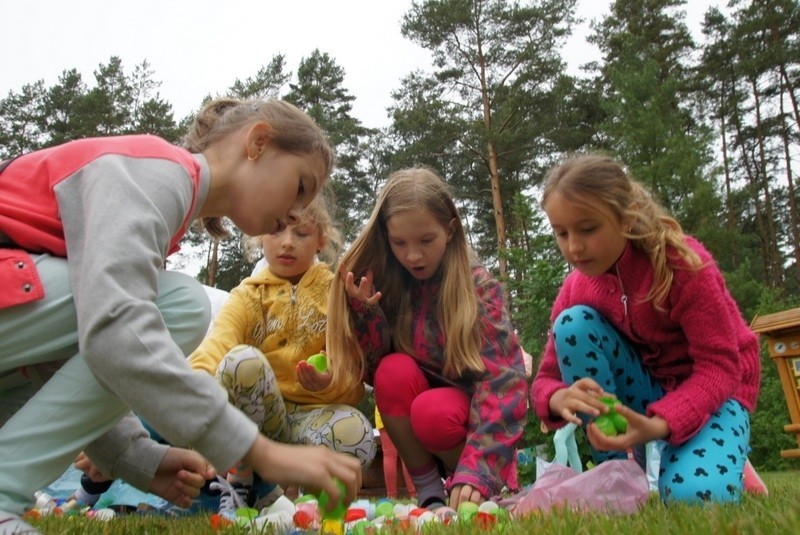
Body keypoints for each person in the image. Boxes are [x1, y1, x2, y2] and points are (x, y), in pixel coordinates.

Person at [0, 97, 362, 532]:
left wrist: (139, 457)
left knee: (168, 304)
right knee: (180, 306)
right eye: (301, 186)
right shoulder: (153, 172)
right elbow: (114, 330)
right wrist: (262, 452)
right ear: (259, 143)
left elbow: (76, 348)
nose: (296, 212)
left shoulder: (161, 187)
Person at [530, 153, 761, 505]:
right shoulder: (577, 288)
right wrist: (557, 397)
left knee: (694, 496)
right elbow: (545, 380)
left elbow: (721, 367)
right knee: (572, 324)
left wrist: (659, 425)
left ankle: (722, 453)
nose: (573, 247)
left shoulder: (682, 265)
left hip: (716, 392)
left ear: (626, 217)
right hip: (646, 394)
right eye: (562, 233)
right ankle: (617, 472)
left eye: (588, 229)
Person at [326, 167, 528, 511]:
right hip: (417, 408)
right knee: (392, 371)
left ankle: (480, 488)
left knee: (431, 412)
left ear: (449, 230)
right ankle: (430, 494)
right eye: (399, 243)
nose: (413, 256)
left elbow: (503, 382)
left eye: (426, 241)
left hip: (469, 424)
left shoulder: (477, 286)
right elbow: (374, 370)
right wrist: (365, 313)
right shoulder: (385, 281)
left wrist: (479, 470)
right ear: (385, 235)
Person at [187, 195, 375, 513]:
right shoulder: (247, 295)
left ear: (320, 241)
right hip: (258, 426)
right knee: (239, 361)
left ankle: (314, 502)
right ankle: (242, 485)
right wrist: (196, 422)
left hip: (311, 422)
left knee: (356, 431)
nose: (287, 243)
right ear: (261, 235)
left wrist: (329, 382)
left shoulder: (335, 295)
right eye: (276, 231)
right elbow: (210, 354)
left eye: (301, 233)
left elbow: (355, 383)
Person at [374, 406, 416, 500]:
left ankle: (391, 496)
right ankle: (414, 494)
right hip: (403, 411)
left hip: (383, 413)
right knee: (406, 454)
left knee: (389, 455)